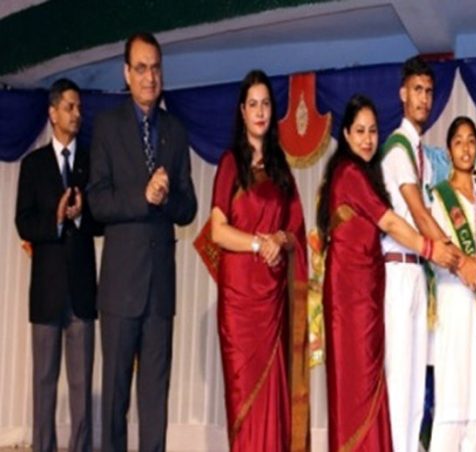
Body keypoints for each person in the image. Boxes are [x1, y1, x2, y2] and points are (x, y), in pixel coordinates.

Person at [317, 94, 456, 451]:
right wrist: (430, 249)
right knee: (358, 385)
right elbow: (391, 221)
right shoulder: (349, 174)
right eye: (359, 131)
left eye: (373, 131)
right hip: (350, 297)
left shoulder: (364, 174)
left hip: (367, 290)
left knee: (370, 384)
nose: (367, 139)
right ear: (345, 135)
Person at [88, 32, 197, 452]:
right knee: (115, 399)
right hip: (118, 289)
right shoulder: (107, 127)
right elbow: (97, 201)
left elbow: (188, 207)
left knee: (155, 398)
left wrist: (166, 198)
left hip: (159, 291)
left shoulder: (175, 130)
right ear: (126, 74)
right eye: (141, 68)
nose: (150, 77)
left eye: (155, 68)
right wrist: (142, 197)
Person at [209, 69, 309, 451]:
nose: (260, 111)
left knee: (274, 395)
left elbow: (295, 230)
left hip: (272, 300)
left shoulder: (282, 168)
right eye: (253, 104)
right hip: (239, 302)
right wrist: (257, 243)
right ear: (242, 111)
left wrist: (279, 240)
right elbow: (217, 230)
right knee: (243, 396)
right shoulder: (230, 163)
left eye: (266, 103)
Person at [380, 55, 460, 452]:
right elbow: (417, 212)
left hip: (417, 273)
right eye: (417, 90)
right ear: (402, 93)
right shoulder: (397, 148)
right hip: (397, 271)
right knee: (399, 382)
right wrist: (457, 259)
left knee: (415, 383)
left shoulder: (423, 154)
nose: (424, 99)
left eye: (429, 92)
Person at [15, 78, 100, 452]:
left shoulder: (91, 160)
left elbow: (102, 218)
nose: (77, 114)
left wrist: (81, 217)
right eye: (70, 107)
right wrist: (58, 219)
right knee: (44, 385)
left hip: (81, 293)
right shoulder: (33, 165)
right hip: (46, 294)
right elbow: (24, 222)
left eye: (79, 107)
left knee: (81, 388)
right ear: (52, 113)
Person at [429, 117, 476, 452]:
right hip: (452, 301)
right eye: (458, 141)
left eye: (472, 141)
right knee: (452, 404)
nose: (466, 148)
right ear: (448, 150)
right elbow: (435, 251)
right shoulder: (438, 198)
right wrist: (463, 264)